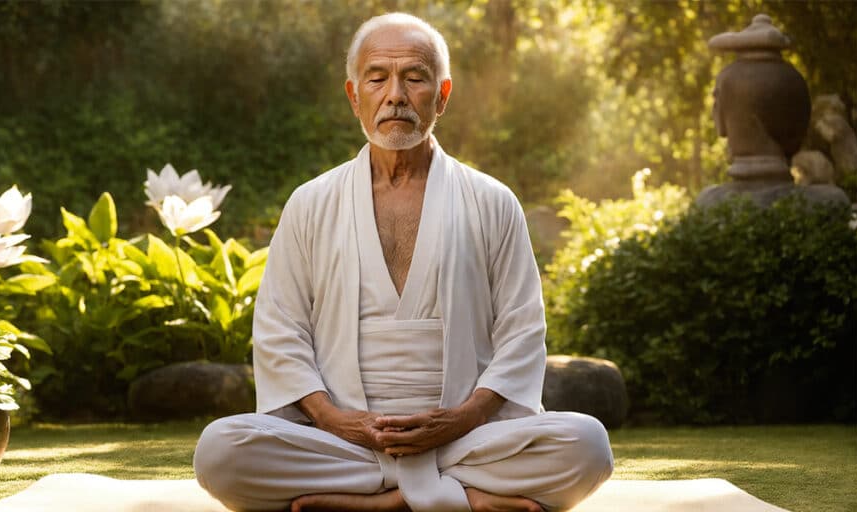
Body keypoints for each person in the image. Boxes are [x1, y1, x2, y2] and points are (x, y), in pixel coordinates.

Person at [194, 13, 613, 512]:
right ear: (354, 96)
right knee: (220, 452)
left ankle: (375, 500)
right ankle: (461, 498)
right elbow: (280, 331)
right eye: (378, 78)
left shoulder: (492, 201)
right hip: (344, 441)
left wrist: (460, 419)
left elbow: (522, 332)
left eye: (414, 77)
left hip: (463, 438)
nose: (395, 94)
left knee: (587, 446)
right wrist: (335, 420)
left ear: (442, 95)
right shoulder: (310, 203)